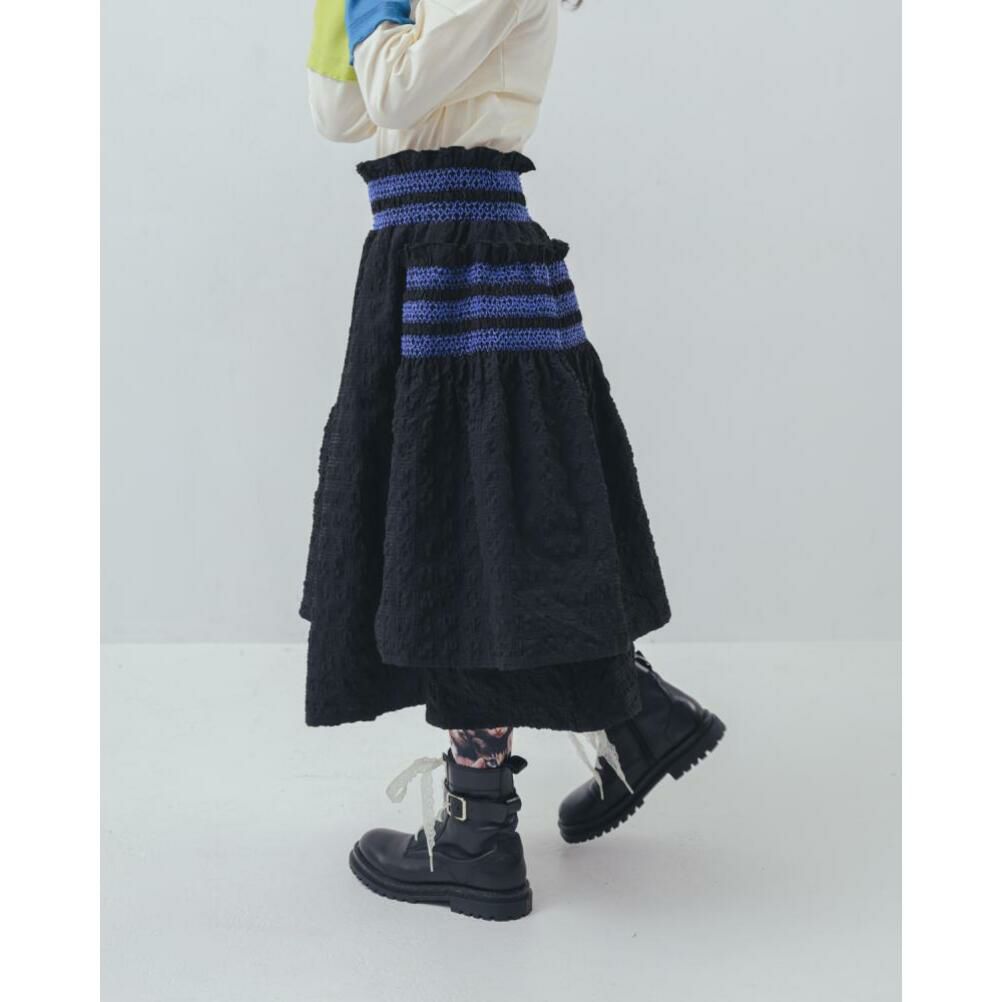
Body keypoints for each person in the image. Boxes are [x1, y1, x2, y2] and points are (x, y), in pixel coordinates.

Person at [301, 0, 725, 921]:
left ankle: (479, 829)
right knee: (479, 524)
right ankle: (634, 715)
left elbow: (395, 88)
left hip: (466, 252)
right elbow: (339, 113)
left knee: (467, 536)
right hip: (420, 249)